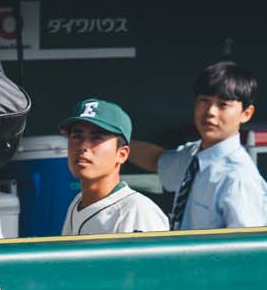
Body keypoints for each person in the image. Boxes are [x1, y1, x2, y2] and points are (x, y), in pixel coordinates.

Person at [129, 62, 267, 230]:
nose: (210, 112)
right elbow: (156, 160)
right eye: (204, 101)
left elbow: (246, 251)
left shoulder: (239, 178)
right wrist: (114, 144)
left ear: (246, 113)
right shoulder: (194, 155)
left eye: (223, 104)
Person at [56, 98, 168, 235]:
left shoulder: (138, 211)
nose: (83, 146)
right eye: (76, 136)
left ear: (122, 154)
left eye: (96, 138)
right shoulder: (77, 202)